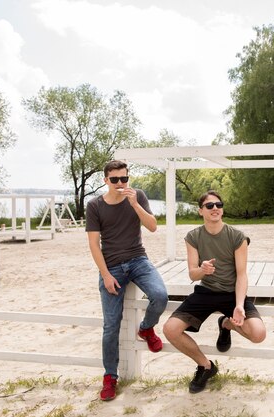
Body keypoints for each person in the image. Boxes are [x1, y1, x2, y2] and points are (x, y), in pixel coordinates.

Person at [163, 191, 266, 394]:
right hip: (206, 291)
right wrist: (202, 270)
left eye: (218, 204)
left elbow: (242, 275)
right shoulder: (193, 237)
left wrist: (238, 305)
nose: (215, 209)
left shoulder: (237, 237)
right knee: (170, 329)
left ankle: (226, 324)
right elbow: (193, 274)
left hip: (232, 293)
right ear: (201, 210)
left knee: (258, 334)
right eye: (209, 206)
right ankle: (206, 366)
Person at [86, 160, 168, 401]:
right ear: (105, 181)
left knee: (160, 295)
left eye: (124, 179)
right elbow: (93, 244)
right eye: (115, 180)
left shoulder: (138, 196)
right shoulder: (95, 206)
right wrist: (106, 275)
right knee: (111, 325)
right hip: (111, 266)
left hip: (138, 260)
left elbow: (152, 227)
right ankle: (110, 377)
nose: (120, 184)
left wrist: (134, 204)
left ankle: (146, 329)